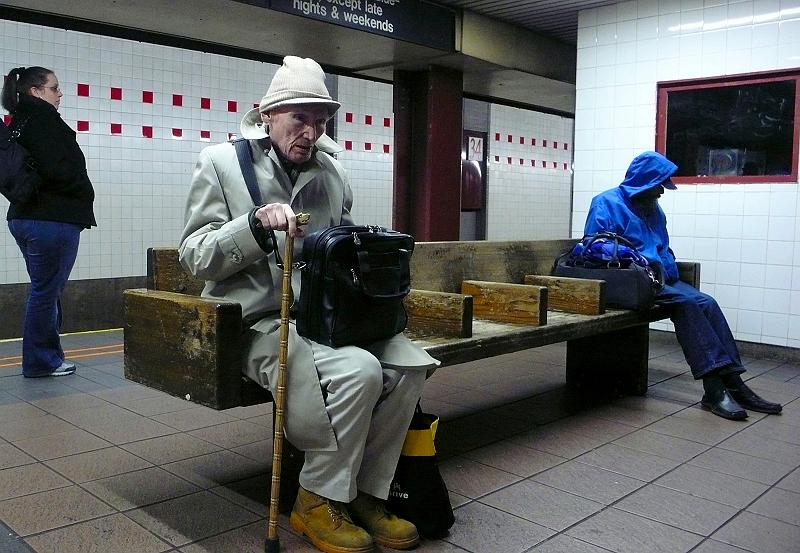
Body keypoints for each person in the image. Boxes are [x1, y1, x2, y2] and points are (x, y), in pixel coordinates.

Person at [178, 56, 438, 553]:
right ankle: (316, 499)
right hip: (255, 322)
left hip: (327, 318)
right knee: (359, 372)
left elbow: (341, 247)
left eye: (320, 121)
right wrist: (254, 226)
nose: (311, 132)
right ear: (267, 113)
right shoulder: (221, 163)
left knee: (409, 366)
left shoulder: (331, 171)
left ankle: (364, 491)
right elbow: (195, 256)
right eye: (300, 118)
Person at [583, 151, 782, 421]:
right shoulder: (606, 203)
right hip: (630, 280)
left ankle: (734, 383)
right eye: (658, 185)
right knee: (686, 305)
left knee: (707, 302)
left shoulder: (655, 209)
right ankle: (713, 389)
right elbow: (593, 245)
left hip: (660, 279)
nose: (662, 192)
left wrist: (667, 264)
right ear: (643, 181)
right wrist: (633, 257)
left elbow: (662, 246)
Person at [2, 66, 96, 378]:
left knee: (45, 290)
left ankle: (45, 357)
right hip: (50, 219)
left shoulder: (21, 120)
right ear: (36, 91)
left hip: (26, 217)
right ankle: (41, 361)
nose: (60, 94)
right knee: (45, 292)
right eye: (54, 88)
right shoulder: (43, 119)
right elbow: (57, 168)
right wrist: (81, 189)